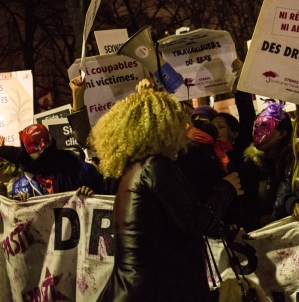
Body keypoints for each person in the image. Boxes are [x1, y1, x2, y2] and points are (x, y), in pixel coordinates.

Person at [90, 89, 242, 302]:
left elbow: (170, 222)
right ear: (163, 128)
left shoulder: (135, 169)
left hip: (138, 290)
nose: (186, 129)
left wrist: (227, 231)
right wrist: (226, 189)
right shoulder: (156, 167)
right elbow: (194, 222)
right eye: (179, 123)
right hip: (152, 291)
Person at [0, 124, 102, 200]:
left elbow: (105, 203)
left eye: (46, 141)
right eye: (36, 143)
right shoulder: (20, 186)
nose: (43, 146)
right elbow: (20, 224)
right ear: (26, 150)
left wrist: (92, 195)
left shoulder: (82, 171)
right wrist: (20, 206)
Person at [239, 100, 294, 231]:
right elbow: (242, 209)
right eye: (255, 126)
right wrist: (258, 221)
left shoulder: (296, 164)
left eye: (264, 125)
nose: (256, 131)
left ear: (282, 133)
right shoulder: (248, 168)